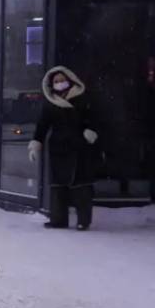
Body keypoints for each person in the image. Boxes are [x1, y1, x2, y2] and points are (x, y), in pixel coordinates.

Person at [29, 65, 97, 230]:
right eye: (56, 81)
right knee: (58, 185)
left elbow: (93, 117)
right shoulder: (50, 103)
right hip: (58, 148)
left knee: (81, 185)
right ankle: (58, 219)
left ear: (69, 80)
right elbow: (42, 125)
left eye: (62, 80)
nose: (59, 83)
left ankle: (83, 220)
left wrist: (90, 130)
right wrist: (36, 144)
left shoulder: (82, 98)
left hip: (79, 147)